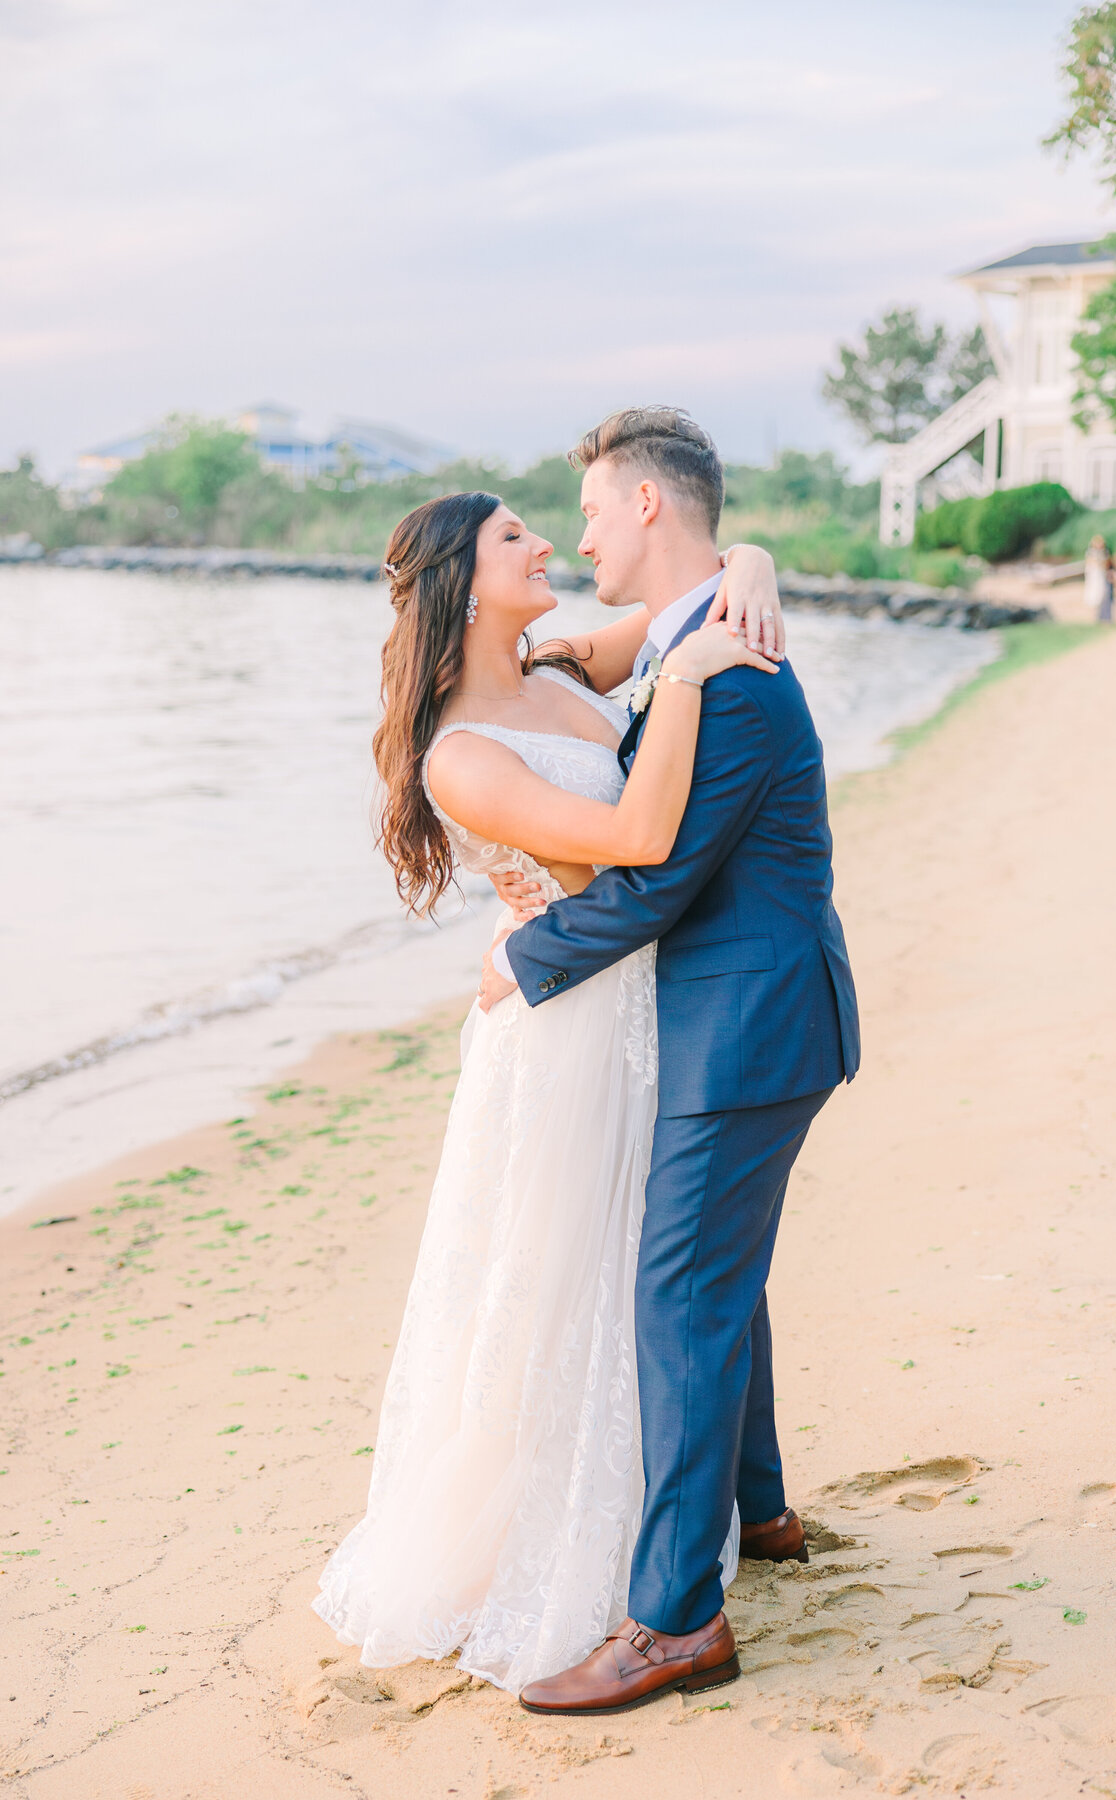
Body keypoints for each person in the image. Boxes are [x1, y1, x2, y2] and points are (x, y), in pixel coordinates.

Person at [312, 471, 785, 1695]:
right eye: (518, 535)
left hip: (648, 1005)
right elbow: (633, 835)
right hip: (565, 1032)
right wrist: (677, 685)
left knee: (670, 1254)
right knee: (570, 1272)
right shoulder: (459, 758)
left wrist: (760, 565)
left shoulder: (565, 672)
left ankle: (731, 1509)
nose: (550, 544)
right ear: (467, 587)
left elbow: (700, 589)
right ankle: (587, 1538)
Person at [479, 407, 859, 1716]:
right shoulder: (695, 633)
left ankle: (675, 1624)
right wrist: (740, 561)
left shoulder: (731, 671)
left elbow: (654, 886)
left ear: (646, 505)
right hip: (741, 1015)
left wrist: (520, 965)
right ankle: (755, 1513)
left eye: (589, 510)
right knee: (714, 1276)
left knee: (680, 1292)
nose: (577, 533)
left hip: (746, 1024)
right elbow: (549, 667)